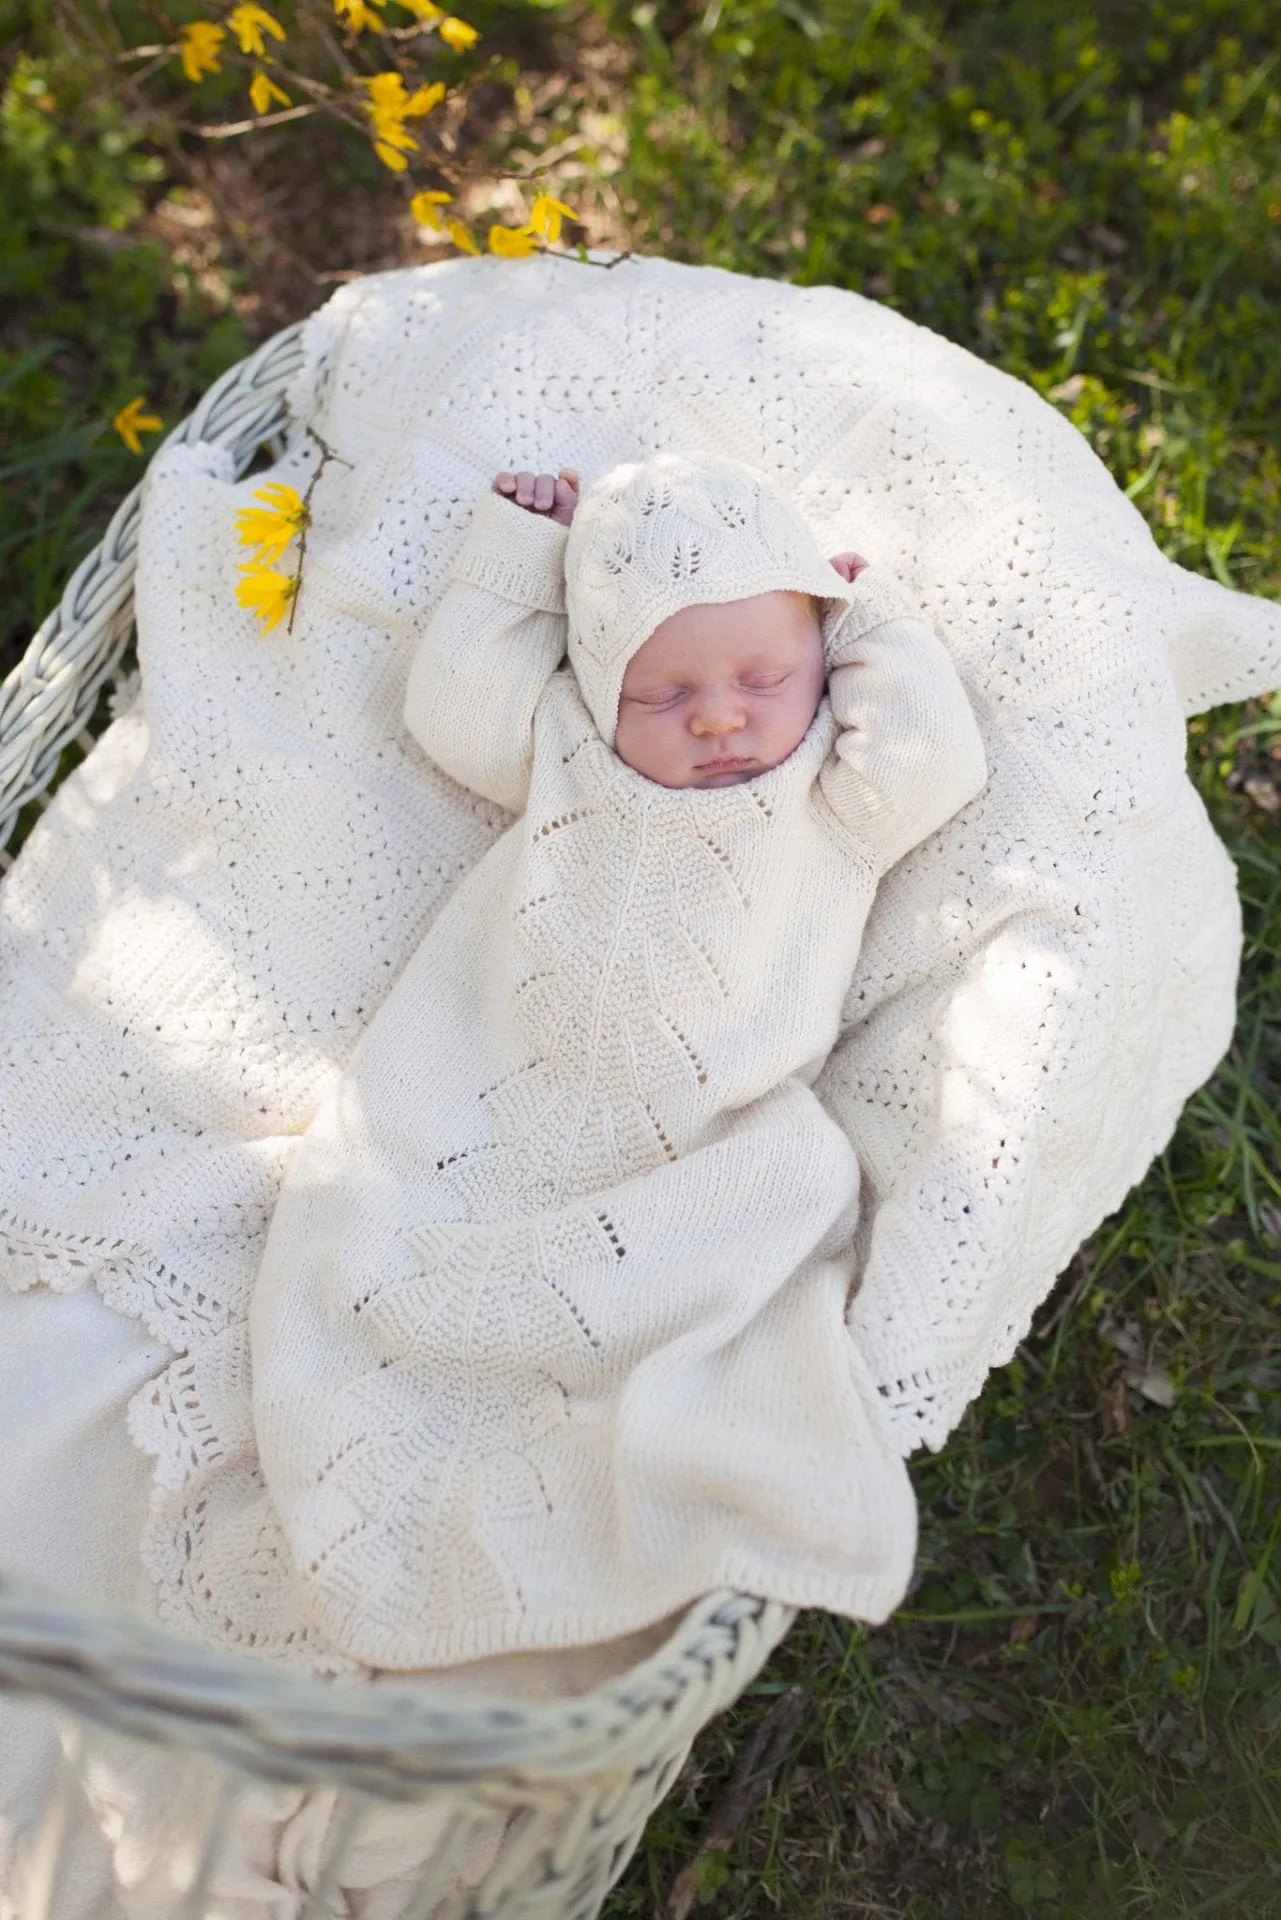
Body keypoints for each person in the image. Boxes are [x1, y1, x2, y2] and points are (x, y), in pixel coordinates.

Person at [247, 451, 989, 1674]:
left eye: (765, 678)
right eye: (666, 694)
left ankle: (645, 1432)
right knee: (371, 1218)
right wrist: (515, 560)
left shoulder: (834, 804)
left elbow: (933, 756)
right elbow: (457, 706)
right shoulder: (565, 753)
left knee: (786, 1190)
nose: (718, 717)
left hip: (702, 1133)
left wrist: (880, 618)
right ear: (599, 689)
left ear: (821, 668)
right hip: (484, 1096)